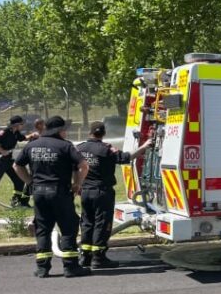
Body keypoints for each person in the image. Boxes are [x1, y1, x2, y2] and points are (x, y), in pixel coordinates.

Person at [13, 116, 88, 278]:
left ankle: (42, 268)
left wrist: (30, 182)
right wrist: (78, 183)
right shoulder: (65, 146)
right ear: (59, 130)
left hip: (39, 193)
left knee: (43, 228)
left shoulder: (32, 145)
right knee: (68, 227)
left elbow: (17, 165)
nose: (66, 132)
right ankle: (71, 267)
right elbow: (83, 165)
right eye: (64, 129)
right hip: (59, 192)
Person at [77, 121, 152, 268]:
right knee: (102, 223)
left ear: (89, 133)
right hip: (102, 192)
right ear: (104, 133)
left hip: (85, 191)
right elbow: (127, 158)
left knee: (87, 223)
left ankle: (84, 257)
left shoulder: (79, 148)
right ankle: (98, 258)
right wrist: (144, 146)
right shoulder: (106, 149)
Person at [0, 115, 37, 209]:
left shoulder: (16, 132)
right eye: (21, 124)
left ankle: (16, 201)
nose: (23, 126)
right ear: (16, 124)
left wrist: (32, 135)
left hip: (8, 161)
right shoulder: (5, 131)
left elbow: (23, 138)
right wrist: (1, 150)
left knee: (19, 180)